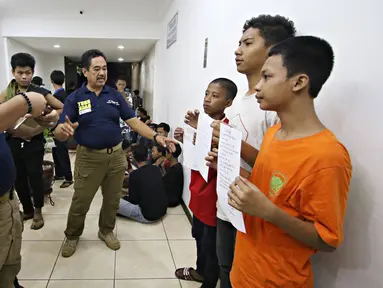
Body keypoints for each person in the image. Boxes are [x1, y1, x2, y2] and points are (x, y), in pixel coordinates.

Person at [218, 36, 352, 287]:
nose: (257, 87)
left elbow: (326, 240)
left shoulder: (327, 156)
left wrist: (269, 213)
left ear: (299, 82)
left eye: (267, 77)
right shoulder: (273, 134)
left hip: (278, 281)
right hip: (243, 273)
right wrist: (231, 171)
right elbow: (269, 192)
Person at [54, 49, 175, 258]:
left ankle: (106, 231)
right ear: (84, 71)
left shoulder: (114, 95)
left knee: (112, 198)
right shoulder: (75, 98)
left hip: (116, 156)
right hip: (88, 157)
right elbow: (60, 128)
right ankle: (72, 235)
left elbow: (134, 121)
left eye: (104, 69)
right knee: (81, 200)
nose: (102, 73)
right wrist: (62, 131)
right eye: (96, 69)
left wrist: (156, 137)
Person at [204, 15, 296, 288]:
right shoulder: (235, 106)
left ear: (272, 50)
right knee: (225, 269)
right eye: (239, 43)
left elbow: (278, 172)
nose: (238, 50)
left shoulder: (273, 106)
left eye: (247, 43)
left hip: (254, 216)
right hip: (227, 206)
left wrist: (235, 145)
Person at [173, 78, 238, 288]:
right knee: (199, 238)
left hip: (212, 200)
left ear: (228, 103)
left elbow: (221, 159)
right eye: (207, 93)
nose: (207, 100)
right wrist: (187, 137)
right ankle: (200, 272)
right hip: (197, 194)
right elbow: (197, 156)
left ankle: (208, 281)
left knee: (211, 248)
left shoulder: (227, 130)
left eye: (215, 96)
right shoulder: (201, 125)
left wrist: (200, 132)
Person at [0, 52, 63, 230]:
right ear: (13, 72)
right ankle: (26, 209)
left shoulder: (40, 92)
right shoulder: (7, 94)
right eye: (20, 72)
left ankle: (37, 210)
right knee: (18, 178)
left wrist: (50, 116)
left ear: (33, 72)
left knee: (35, 176)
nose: (24, 76)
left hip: (34, 141)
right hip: (12, 140)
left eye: (28, 72)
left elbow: (60, 107)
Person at [0, 91, 48, 288]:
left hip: (7, 201)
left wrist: (47, 122)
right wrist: (24, 102)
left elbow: (21, 130)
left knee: (10, 265)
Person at [117, 145, 167, 223]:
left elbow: (133, 200)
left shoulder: (134, 175)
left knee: (112, 203)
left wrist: (124, 196)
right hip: (163, 210)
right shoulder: (156, 169)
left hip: (148, 216)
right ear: (147, 157)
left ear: (134, 158)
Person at [50, 70, 73, 188]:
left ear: (51, 80)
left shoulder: (55, 97)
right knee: (57, 151)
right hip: (60, 127)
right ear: (63, 81)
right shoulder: (66, 94)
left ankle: (68, 177)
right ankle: (59, 173)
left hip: (60, 127)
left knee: (62, 152)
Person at [163, 143, 184, 207]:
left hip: (171, 200)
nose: (165, 155)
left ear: (170, 154)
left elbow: (163, 182)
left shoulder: (175, 170)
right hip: (173, 198)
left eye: (166, 153)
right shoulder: (177, 166)